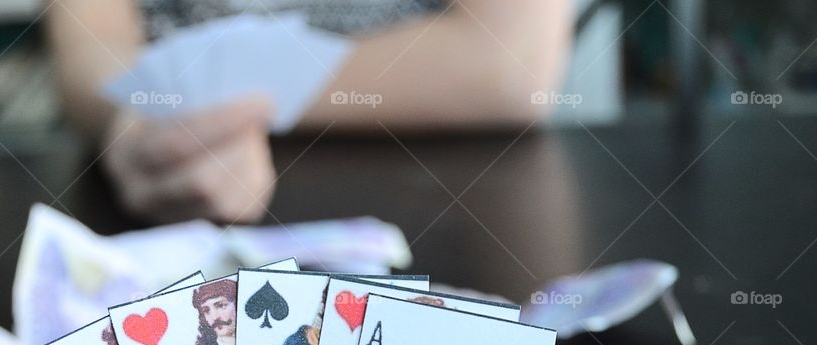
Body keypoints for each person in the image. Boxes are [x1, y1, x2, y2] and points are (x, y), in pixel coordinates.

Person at [47, 1, 573, 223]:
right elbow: (91, 43)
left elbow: (507, 65)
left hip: (450, 205)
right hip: (159, 221)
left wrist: (194, 92)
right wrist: (131, 115)